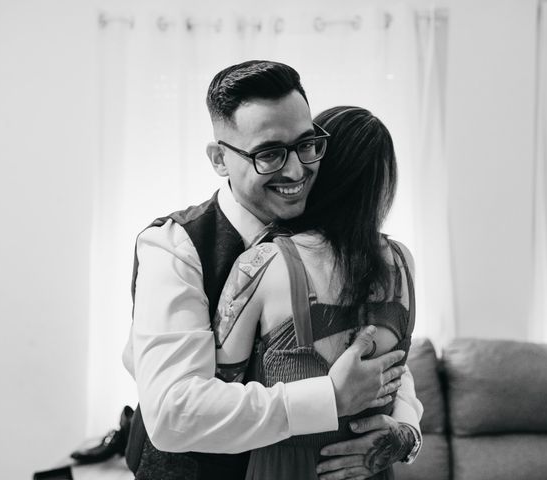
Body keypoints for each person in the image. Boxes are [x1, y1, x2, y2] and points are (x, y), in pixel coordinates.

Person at [122, 60, 423, 480]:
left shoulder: (331, 243)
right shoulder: (173, 247)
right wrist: (331, 398)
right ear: (219, 159)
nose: (297, 170)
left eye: (307, 144)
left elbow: (378, 355)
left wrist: (405, 428)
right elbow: (174, 412)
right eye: (268, 154)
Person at [212, 106, 416, 480]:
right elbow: (400, 375)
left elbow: (218, 395)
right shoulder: (402, 263)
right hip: (370, 471)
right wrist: (406, 435)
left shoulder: (261, 263)